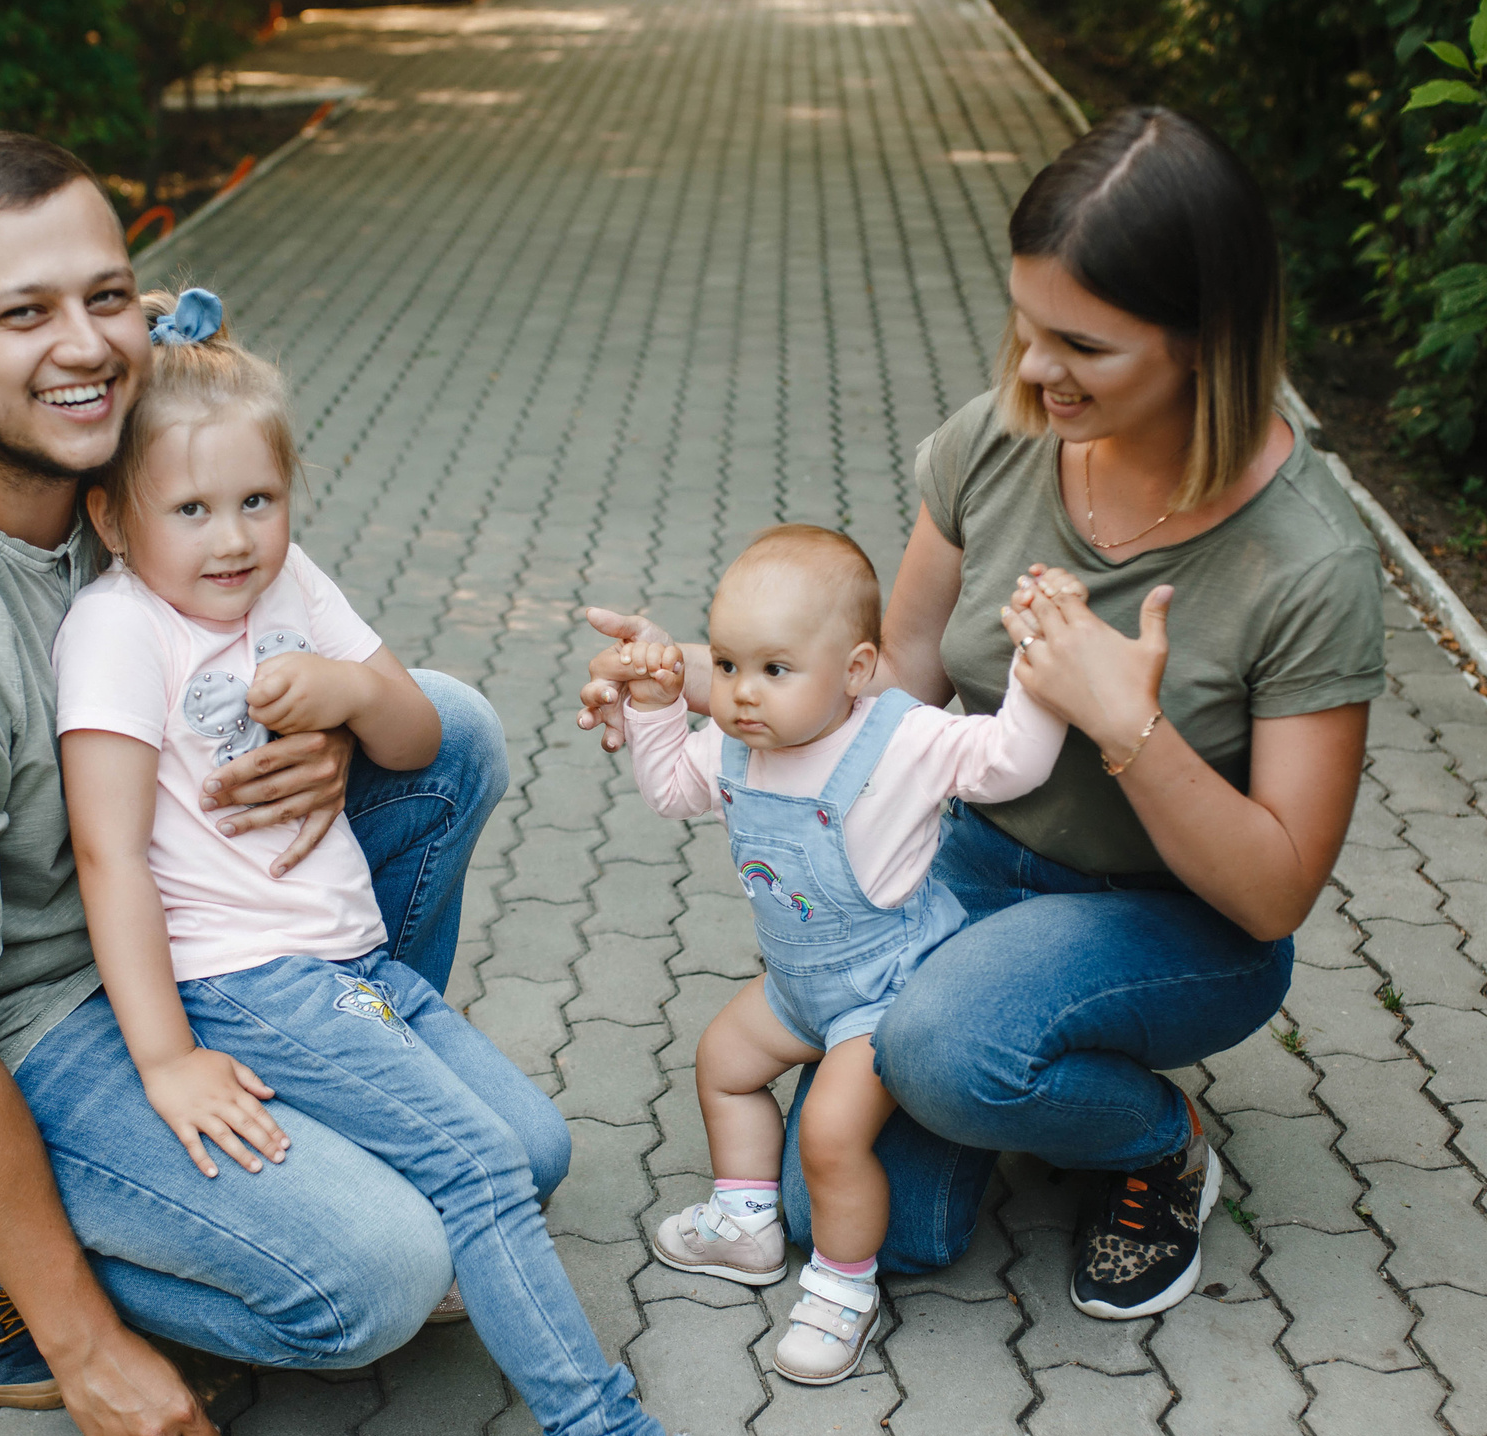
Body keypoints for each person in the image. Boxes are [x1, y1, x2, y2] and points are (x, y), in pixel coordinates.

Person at [0, 132, 490, 1436]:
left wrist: (317, 730)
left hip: (154, 894)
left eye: (107, 294)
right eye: (21, 313)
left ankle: (340, 1097)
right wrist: (84, 1346)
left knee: (447, 730)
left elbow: (287, 632)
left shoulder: (120, 446)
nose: (85, 346)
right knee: (384, 1272)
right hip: (7, 1013)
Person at [577, 108, 1384, 1320]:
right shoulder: (1000, 441)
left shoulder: (1307, 563)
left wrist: (1125, 724)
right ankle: (1007, 1064)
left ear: (1203, 339)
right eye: (1024, 321)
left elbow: (1273, 893)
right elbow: (888, 675)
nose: (1032, 369)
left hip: (1173, 921)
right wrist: (692, 676)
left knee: (947, 1051)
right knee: (846, 1221)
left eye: (1081, 344)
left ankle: (1156, 1144)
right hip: (971, 874)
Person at [50, 285, 811, 1436]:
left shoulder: (286, 583)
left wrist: (350, 687)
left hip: (351, 967)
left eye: (257, 500)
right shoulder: (119, 632)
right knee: (474, 1168)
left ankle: (432, 1233)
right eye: (189, 509)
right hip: (248, 987)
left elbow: (414, 739)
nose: (232, 538)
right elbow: (105, 855)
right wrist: (167, 1053)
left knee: (528, 1149)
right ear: (112, 518)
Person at [594, 526, 1060, 1383]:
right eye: (727, 665)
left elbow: (1010, 761)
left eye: (775, 670)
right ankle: (745, 1221)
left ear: (854, 671)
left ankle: (843, 1287)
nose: (740, 694)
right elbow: (668, 791)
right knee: (723, 1061)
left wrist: (1039, 679)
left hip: (888, 990)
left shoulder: (902, 741)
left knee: (832, 1132)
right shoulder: (739, 742)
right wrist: (659, 704)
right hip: (796, 984)